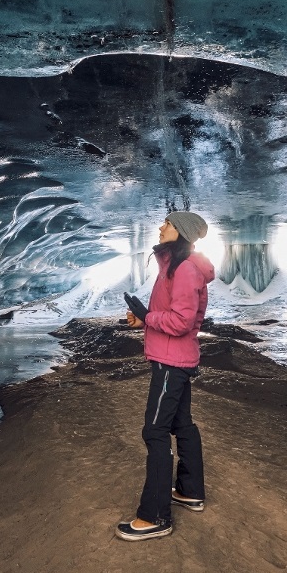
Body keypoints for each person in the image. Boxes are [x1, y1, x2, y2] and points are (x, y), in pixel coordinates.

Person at [116, 211, 215, 541]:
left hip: (171, 362)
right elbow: (171, 317)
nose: (161, 228)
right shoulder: (178, 266)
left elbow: (181, 322)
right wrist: (143, 320)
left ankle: (155, 515)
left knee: (155, 430)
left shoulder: (185, 269)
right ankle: (190, 490)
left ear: (182, 232)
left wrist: (147, 315)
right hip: (177, 358)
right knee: (182, 424)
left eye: (168, 224)